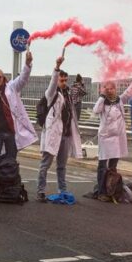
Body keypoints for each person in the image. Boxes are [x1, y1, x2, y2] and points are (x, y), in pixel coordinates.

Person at [0, 51, 38, 201]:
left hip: (11, 133)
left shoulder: (11, 88)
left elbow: (23, 79)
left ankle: (10, 189)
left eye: (0, 76)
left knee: (11, 162)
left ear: (3, 77)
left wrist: (28, 64)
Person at [37, 56, 82, 202]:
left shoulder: (68, 95)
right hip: (54, 134)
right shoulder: (51, 94)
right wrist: (57, 66)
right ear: (57, 80)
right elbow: (52, 83)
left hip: (66, 134)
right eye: (61, 80)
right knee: (46, 164)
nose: (64, 83)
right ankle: (41, 191)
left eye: (65, 80)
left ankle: (62, 190)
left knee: (62, 165)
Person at [91, 76, 132, 200]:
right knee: (102, 166)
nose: (110, 90)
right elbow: (95, 110)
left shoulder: (119, 100)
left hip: (117, 139)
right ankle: (101, 192)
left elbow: (128, 93)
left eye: (112, 88)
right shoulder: (103, 102)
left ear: (115, 89)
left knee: (113, 167)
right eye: (107, 88)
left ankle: (110, 190)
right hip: (106, 138)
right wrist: (102, 96)